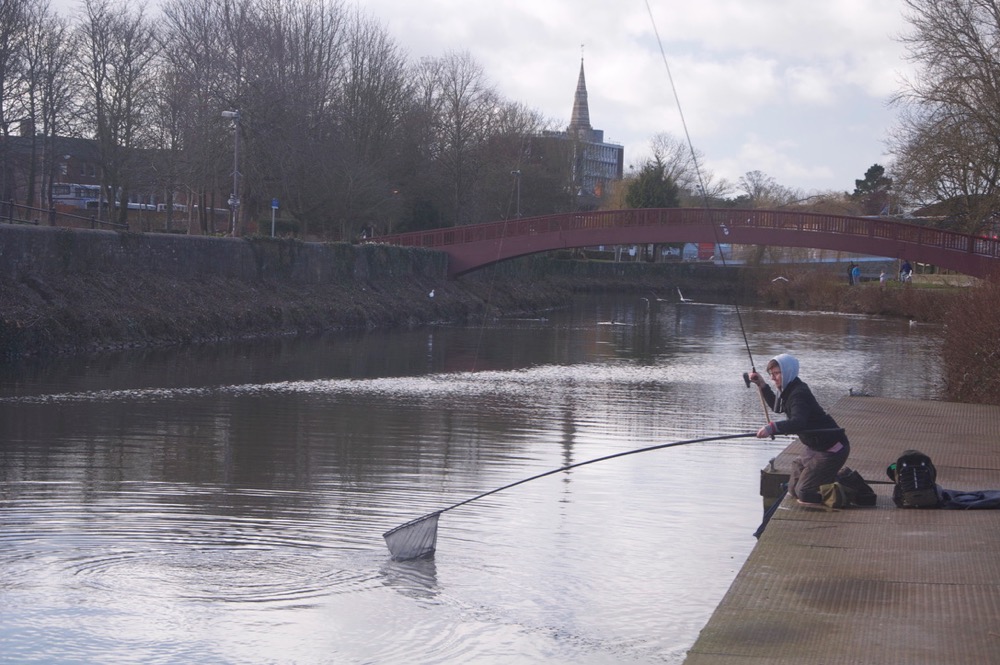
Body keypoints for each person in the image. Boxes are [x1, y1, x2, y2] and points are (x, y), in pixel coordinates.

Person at [748, 354, 850, 506]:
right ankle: (828, 480)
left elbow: (798, 423)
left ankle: (846, 488)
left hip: (832, 448)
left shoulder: (798, 393)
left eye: (777, 373)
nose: (773, 378)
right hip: (815, 447)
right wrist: (762, 385)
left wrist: (772, 428)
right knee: (792, 489)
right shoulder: (789, 388)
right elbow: (777, 407)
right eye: (771, 374)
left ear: (787, 371)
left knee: (804, 493)